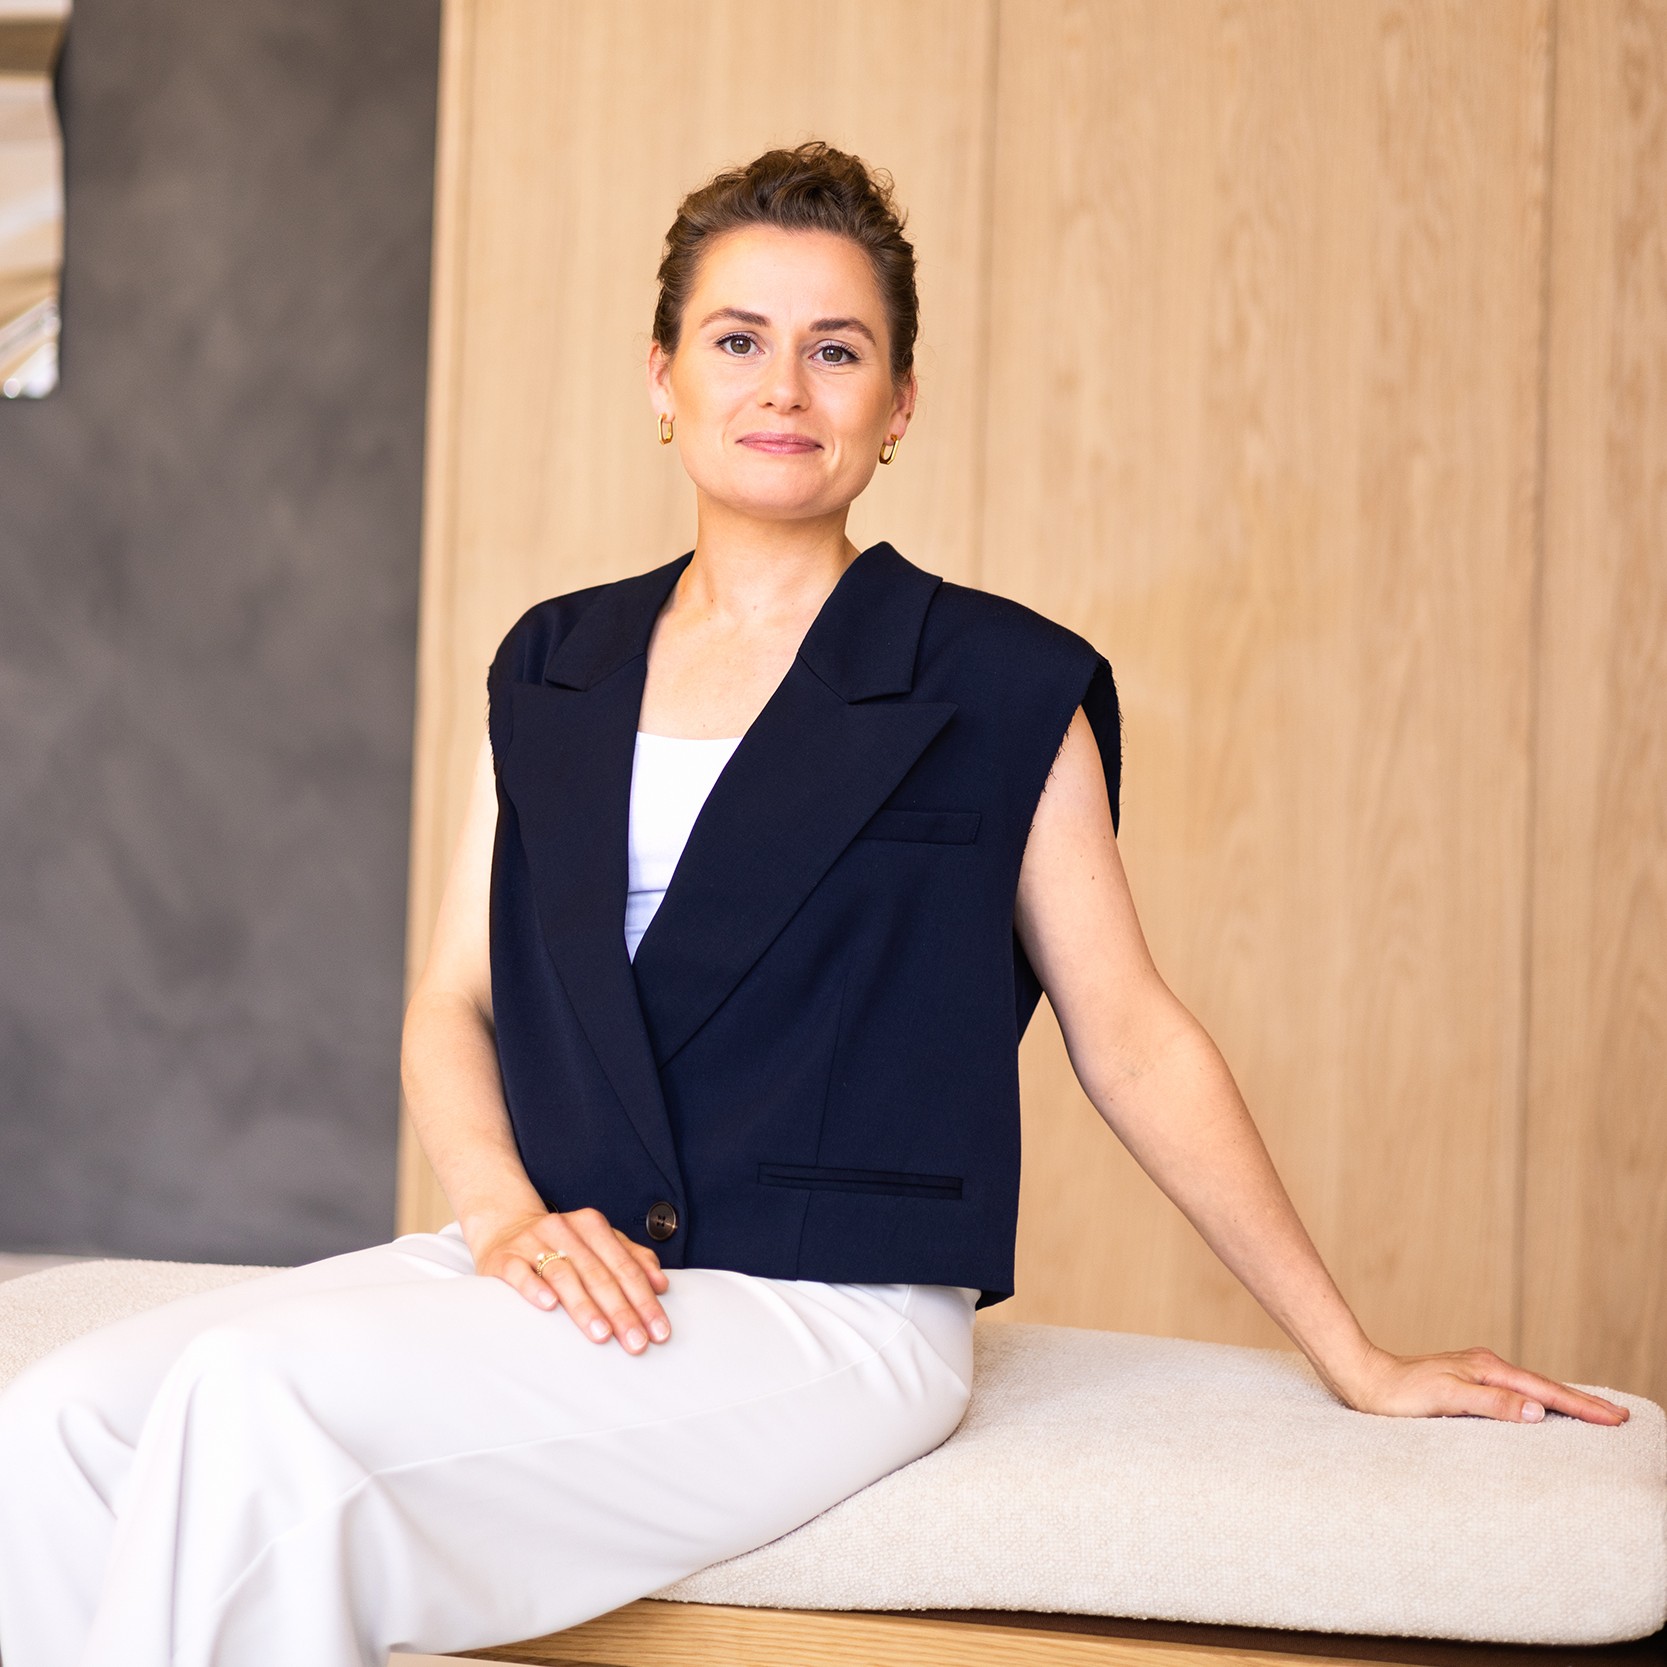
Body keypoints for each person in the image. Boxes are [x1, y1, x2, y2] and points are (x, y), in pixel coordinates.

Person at [0, 140, 1627, 1667]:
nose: (783, 386)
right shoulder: (553, 662)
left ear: (899, 403)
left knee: (261, 1415)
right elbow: (453, 1002)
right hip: (557, 1261)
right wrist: (498, 1215)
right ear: (663, 378)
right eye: (737, 341)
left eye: (837, 350)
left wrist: (1355, 1353)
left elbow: (1132, 1037)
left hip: (824, 1312)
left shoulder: (999, 684)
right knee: (60, 1421)